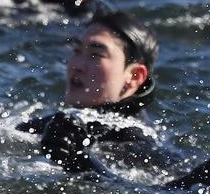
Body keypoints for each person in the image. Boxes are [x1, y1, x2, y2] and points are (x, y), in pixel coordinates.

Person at [24, 12, 171, 178]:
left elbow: (145, 192)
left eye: (96, 55)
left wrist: (77, 161)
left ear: (134, 76)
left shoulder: (139, 146)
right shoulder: (59, 123)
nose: (76, 65)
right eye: (77, 50)